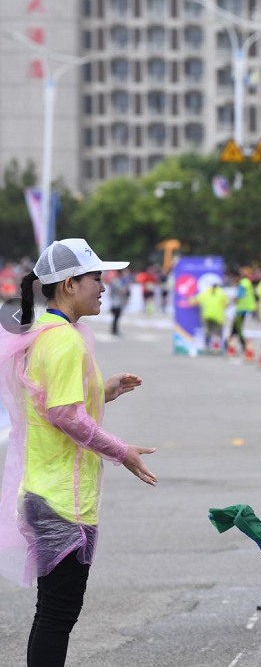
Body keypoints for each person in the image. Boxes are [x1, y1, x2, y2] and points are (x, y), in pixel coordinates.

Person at [0, 239, 157, 667]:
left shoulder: (45, 333)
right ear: (69, 284)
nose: (104, 286)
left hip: (44, 491)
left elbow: (50, 402)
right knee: (57, 615)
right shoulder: (64, 341)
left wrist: (103, 391)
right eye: (96, 278)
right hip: (61, 500)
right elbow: (65, 415)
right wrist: (121, 451)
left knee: (51, 614)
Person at [194, 278, 229, 353]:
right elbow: (226, 304)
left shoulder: (206, 292)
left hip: (207, 314)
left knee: (208, 331)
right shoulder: (222, 292)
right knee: (217, 332)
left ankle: (206, 346)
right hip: (218, 316)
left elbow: (196, 300)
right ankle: (216, 348)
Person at [231, 268, 257, 353]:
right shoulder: (246, 282)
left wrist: (232, 300)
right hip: (243, 308)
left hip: (242, 309)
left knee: (237, 328)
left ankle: (244, 346)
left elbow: (240, 295)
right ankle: (227, 344)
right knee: (234, 328)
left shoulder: (243, 283)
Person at [108, 269, 129, 337]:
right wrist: (126, 286)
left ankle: (115, 330)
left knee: (116, 317)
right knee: (116, 317)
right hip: (116, 302)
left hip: (117, 301)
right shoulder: (117, 281)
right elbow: (122, 291)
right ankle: (114, 331)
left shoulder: (117, 281)